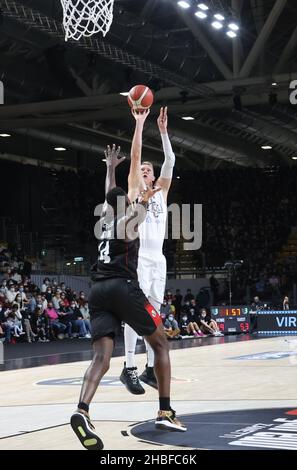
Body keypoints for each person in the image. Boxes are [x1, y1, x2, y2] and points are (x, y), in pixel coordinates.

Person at [70, 145, 186, 451]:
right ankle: (165, 411)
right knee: (160, 342)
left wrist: (110, 169)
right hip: (122, 286)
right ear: (127, 203)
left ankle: (82, 409)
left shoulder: (107, 217)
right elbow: (136, 207)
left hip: (96, 293)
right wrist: (147, 196)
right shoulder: (127, 221)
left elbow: (111, 193)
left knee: (101, 358)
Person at [120, 106, 176, 394]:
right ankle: (128, 366)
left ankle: (149, 368)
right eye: (141, 169)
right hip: (139, 259)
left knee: (154, 315)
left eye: (148, 170)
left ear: (153, 177)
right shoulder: (132, 194)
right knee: (135, 313)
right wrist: (140, 125)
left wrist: (164, 133)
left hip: (159, 260)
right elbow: (135, 156)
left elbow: (171, 160)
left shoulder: (161, 193)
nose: (144, 171)